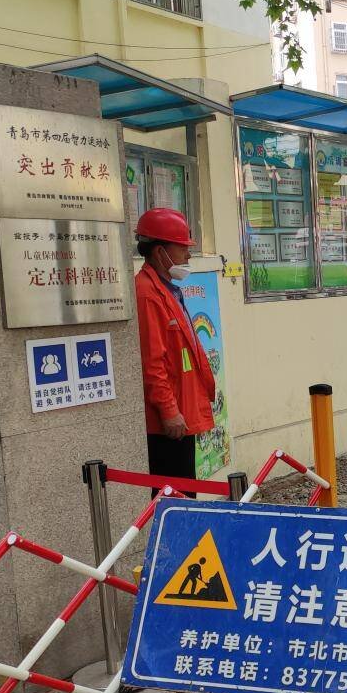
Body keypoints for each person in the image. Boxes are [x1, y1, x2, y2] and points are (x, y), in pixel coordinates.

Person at [135, 208, 215, 486]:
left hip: (182, 412)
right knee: (174, 496)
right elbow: (152, 362)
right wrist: (169, 411)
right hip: (168, 424)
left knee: (186, 492)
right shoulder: (147, 294)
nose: (188, 256)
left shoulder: (167, 289)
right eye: (183, 248)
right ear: (160, 252)